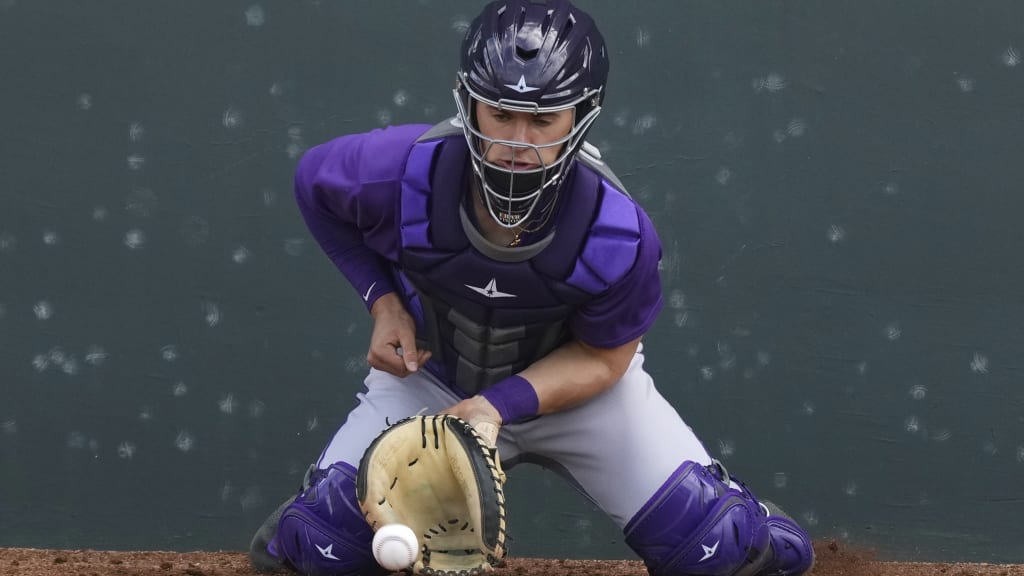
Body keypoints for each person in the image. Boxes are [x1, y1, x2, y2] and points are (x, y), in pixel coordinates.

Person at [248, 1, 815, 575]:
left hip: (577, 399)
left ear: (581, 117)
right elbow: (312, 186)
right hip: (433, 383)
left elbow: (605, 358)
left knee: (725, 554)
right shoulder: (401, 171)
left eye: (543, 120)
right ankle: (318, 513)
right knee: (319, 549)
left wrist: (498, 406)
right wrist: (383, 301)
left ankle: (750, 521)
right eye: (500, 113)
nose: (518, 141)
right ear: (469, 101)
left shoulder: (615, 231)